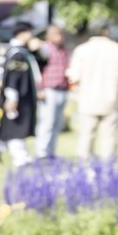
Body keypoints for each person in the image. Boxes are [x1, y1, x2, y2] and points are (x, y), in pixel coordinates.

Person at [67, 24, 118, 160]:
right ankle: (108, 167)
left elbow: (74, 76)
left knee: (86, 136)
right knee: (109, 137)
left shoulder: (81, 50)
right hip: (109, 98)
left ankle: (85, 166)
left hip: (87, 99)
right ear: (105, 32)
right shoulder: (116, 50)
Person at [0, 22, 38, 167]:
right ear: (22, 33)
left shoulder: (20, 51)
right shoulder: (17, 54)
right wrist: (12, 97)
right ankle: (20, 156)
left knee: (13, 123)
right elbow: (14, 77)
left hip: (21, 95)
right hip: (19, 96)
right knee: (17, 126)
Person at [35, 24, 70, 160]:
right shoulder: (44, 49)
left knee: (56, 123)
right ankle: (41, 152)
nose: (59, 37)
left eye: (60, 34)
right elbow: (37, 70)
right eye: (55, 34)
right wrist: (40, 89)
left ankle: (51, 152)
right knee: (47, 122)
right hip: (48, 90)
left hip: (62, 89)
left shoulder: (64, 50)